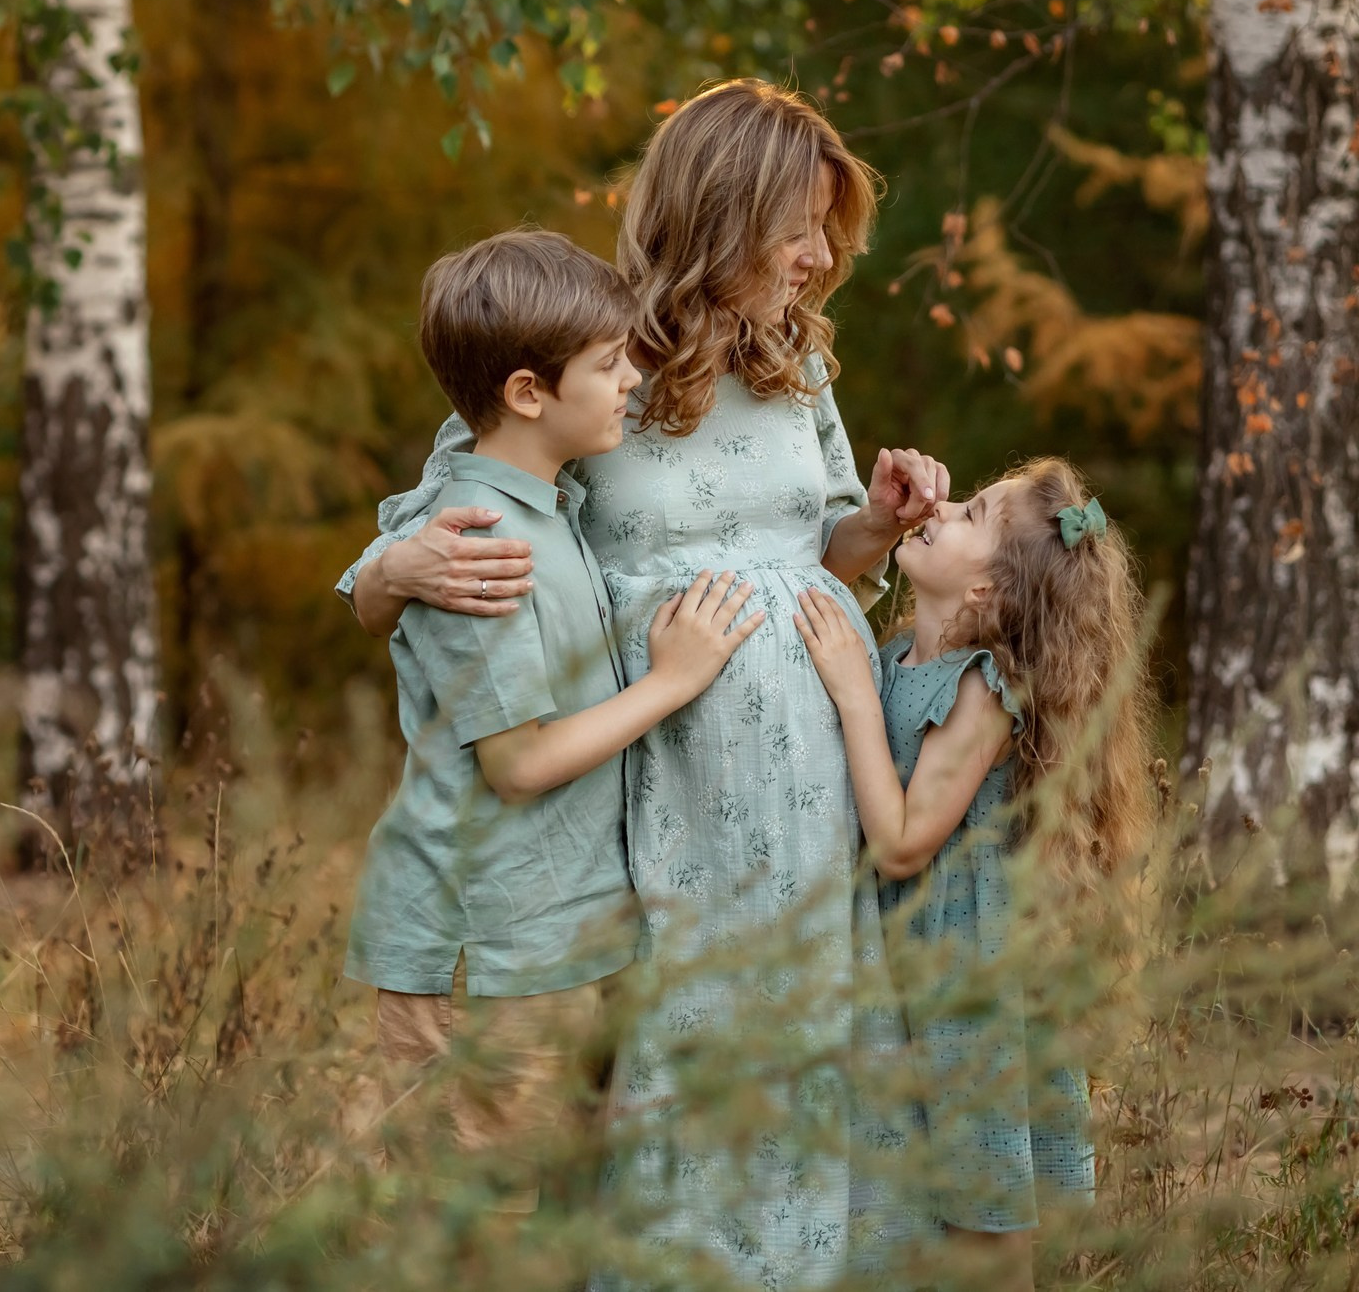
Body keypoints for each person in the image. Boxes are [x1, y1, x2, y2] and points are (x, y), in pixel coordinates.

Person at [341, 80, 952, 1283]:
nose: (820, 257)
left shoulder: (800, 369)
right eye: (799, 228)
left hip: (808, 783)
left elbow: (806, 556)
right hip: (654, 772)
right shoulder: (587, 356)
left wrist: (872, 531)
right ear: (725, 213)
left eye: (829, 230)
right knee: (666, 1038)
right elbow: (455, 512)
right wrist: (384, 570)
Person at [344, 228, 766, 1205]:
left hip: (546, 936)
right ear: (529, 394)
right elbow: (518, 765)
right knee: (473, 1224)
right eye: (610, 365)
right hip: (482, 946)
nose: (631, 382)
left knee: (557, 1216)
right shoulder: (481, 541)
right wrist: (670, 681)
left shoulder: (543, 497)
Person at [792, 458, 1152, 1290]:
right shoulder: (894, 655)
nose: (944, 507)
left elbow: (906, 842)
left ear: (990, 589)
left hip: (963, 979)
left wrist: (850, 694)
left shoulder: (984, 690)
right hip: (903, 965)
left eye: (971, 513)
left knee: (977, 1227)